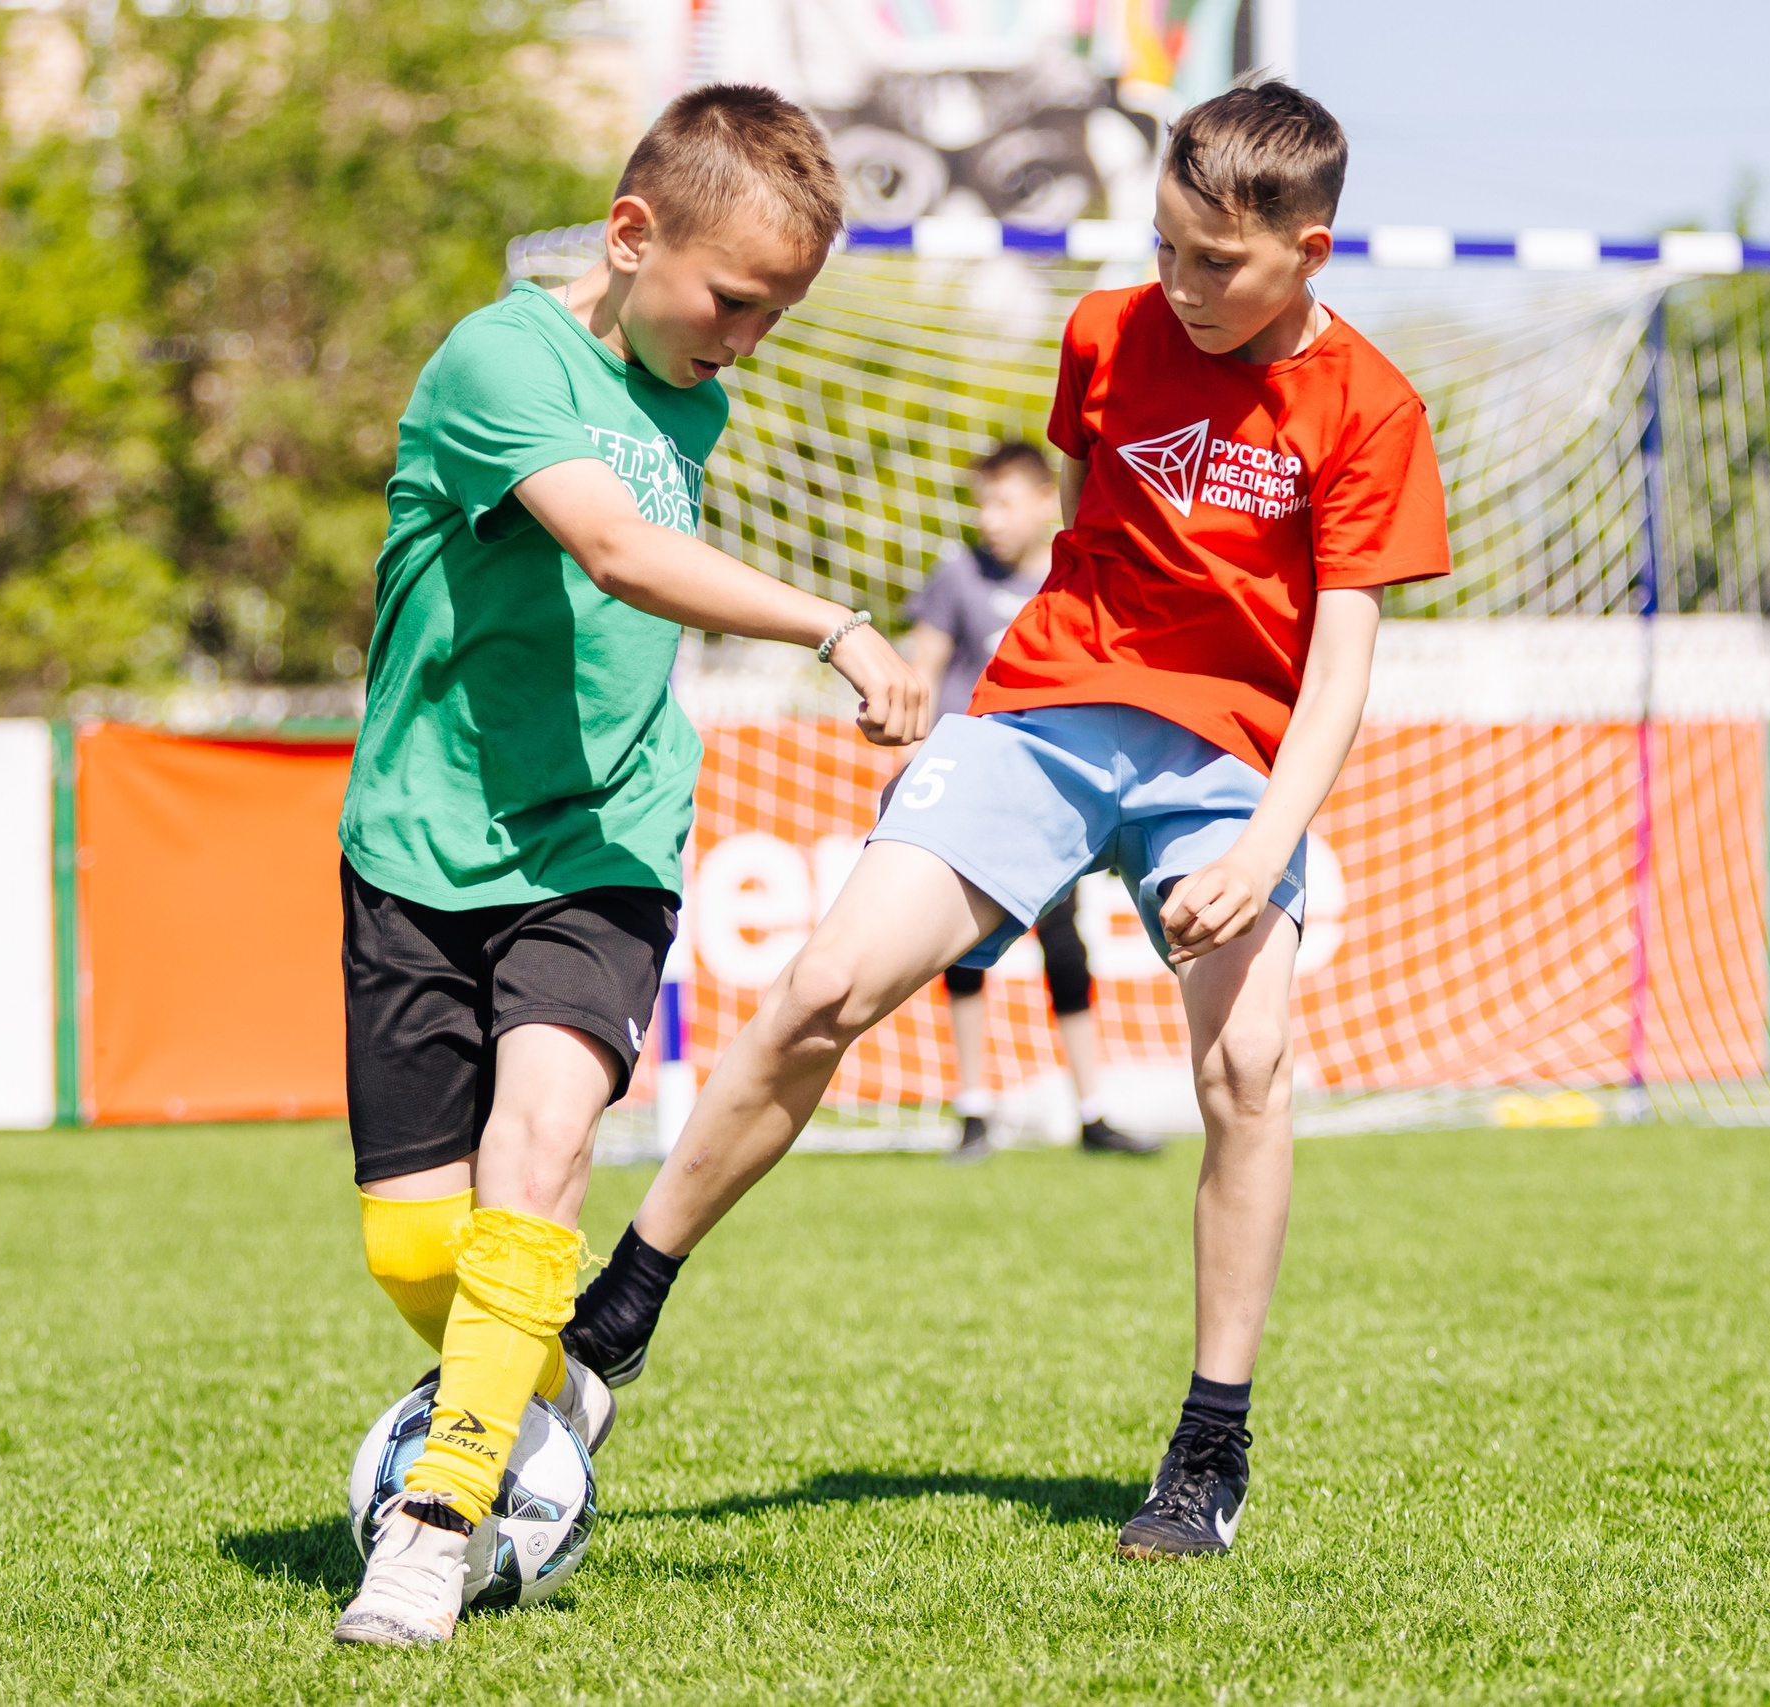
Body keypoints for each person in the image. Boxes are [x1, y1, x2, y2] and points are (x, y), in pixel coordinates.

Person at [561, 81, 1449, 1561]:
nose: (1180, 284)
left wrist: (1253, 846)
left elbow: (1343, 664)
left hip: (1236, 761)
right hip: (1045, 710)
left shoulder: (1372, 409)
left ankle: (1209, 1443)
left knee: (1249, 1059)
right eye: (1165, 246)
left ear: (1313, 249)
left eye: (1217, 264)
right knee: (821, 986)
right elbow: (1099, 527)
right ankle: (616, 1315)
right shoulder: (1105, 334)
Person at [330, 85, 928, 1648]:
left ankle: (438, 1514)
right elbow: (610, 546)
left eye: (777, 313)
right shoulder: (496, 358)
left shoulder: (696, 390)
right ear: (629, 234)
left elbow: (638, 563)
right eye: (734, 299)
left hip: (603, 841)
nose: (747, 341)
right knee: (414, 1240)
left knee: (540, 1142)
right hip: (418, 838)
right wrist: (838, 623)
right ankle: (547, 1392)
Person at [902, 439, 1159, 1162]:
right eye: (982, 502)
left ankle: (1091, 1109)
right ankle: (974, 1110)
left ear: (1047, 498)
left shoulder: (1070, 571)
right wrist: (910, 749)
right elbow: (921, 665)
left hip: (1052, 789)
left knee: (1066, 948)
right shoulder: (957, 576)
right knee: (958, 950)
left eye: (1004, 501)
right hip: (970, 787)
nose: (990, 518)